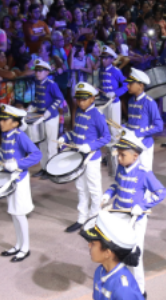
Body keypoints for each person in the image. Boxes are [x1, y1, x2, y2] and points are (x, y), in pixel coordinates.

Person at [101, 130, 166, 296]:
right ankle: (121, 283)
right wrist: (107, 194)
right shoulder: (122, 168)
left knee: (135, 255)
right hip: (119, 216)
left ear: (135, 156)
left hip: (136, 219)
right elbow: (117, 184)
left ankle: (140, 289)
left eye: (122, 155)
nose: (118, 158)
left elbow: (161, 192)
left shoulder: (144, 173)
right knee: (117, 251)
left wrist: (143, 205)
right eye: (118, 155)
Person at [0, 104, 41, 262]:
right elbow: (2, 150)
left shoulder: (20, 135)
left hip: (19, 179)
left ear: (15, 123)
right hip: (8, 178)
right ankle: (18, 244)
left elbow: (36, 154)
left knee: (20, 214)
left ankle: (25, 248)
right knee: (13, 212)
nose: (1, 122)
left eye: (5, 120)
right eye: (1, 120)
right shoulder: (6, 134)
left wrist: (18, 164)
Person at [59, 82, 111, 233]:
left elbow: (106, 137)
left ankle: (94, 220)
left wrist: (91, 146)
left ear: (92, 98)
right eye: (78, 99)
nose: (80, 102)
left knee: (94, 190)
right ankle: (82, 218)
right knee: (81, 188)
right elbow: (77, 133)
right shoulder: (80, 113)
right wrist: (66, 137)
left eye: (84, 99)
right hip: (79, 157)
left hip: (91, 158)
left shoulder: (97, 115)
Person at [27, 59, 64, 179]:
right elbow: (38, 99)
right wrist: (32, 106)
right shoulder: (38, 83)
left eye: (40, 70)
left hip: (51, 117)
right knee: (42, 143)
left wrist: (48, 112)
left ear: (47, 72)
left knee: (51, 145)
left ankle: (52, 169)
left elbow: (59, 99)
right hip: (40, 118)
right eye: (36, 70)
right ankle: (44, 168)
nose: (37, 73)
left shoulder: (52, 84)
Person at [123, 68, 163, 172]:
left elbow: (159, 126)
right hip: (133, 143)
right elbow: (132, 122)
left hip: (144, 144)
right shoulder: (131, 100)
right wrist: (125, 127)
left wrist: (140, 133)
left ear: (141, 86)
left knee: (144, 174)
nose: (128, 86)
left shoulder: (149, 102)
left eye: (131, 83)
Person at [98, 47, 127, 150]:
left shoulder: (116, 71)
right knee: (105, 128)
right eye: (102, 58)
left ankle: (115, 151)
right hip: (104, 103)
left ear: (111, 59)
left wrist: (115, 93)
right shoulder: (100, 70)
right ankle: (108, 152)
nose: (103, 60)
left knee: (114, 128)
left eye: (106, 58)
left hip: (114, 102)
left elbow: (126, 85)